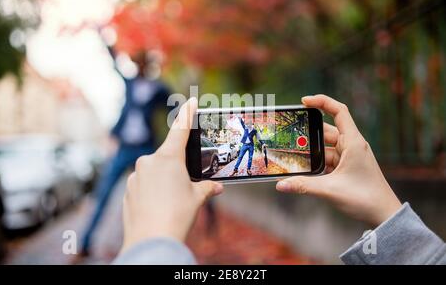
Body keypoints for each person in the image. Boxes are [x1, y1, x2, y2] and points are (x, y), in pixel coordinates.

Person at [113, 95, 446, 265]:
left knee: (247, 159)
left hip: (250, 150)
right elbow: (247, 137)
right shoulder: (245, 135)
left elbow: (253, 140)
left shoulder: (254, 137)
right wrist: (388, 213)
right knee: (245, 159)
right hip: (247, 150)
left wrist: (151, 241)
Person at [77, 44, 171, 259]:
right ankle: (84, 243)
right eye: (137, 62)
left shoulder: (158, 88)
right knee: (103, 194)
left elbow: (174, 107)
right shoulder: (129, 83)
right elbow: (114, 62)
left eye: (144, 63)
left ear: (149, 65)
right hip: (124, 148)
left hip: (145, 148)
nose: (140, 66)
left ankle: (150, 244)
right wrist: (103, 37)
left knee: (150, 196)